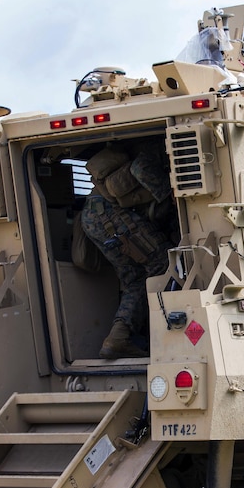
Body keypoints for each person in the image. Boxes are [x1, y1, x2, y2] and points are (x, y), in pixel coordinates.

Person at [81, 142, 175, 359]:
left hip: (93, 216)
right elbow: (140, 168)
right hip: (111, 217)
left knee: (136, 279)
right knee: (167, 264)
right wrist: (167, 193)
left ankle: (118, 339)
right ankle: (165, 341)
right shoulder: (154, 150)